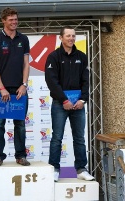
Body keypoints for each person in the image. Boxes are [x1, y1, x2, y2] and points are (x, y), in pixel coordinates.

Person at [45, 26, 95, 182]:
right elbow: (51, 81)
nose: (71, 38)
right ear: (61, 38)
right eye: (68, 36)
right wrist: (64, 100)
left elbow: (86, 80)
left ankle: (81, 169)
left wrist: (83, 100)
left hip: (78, 104)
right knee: (57, 138)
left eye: (73, 36)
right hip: (61, 104)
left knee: (79, 138)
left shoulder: (82, 56)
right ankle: (54, 169)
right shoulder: (53, 56)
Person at [0, 7, 30, 167]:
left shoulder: (23, 39)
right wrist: (2, 87)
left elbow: (26, 64)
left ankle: (21, 156)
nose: (14, 22)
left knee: (20, 123)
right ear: (3, 21)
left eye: (16, 19)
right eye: (11, 19)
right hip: (1, 89)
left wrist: (24, 84)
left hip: (19, 88)